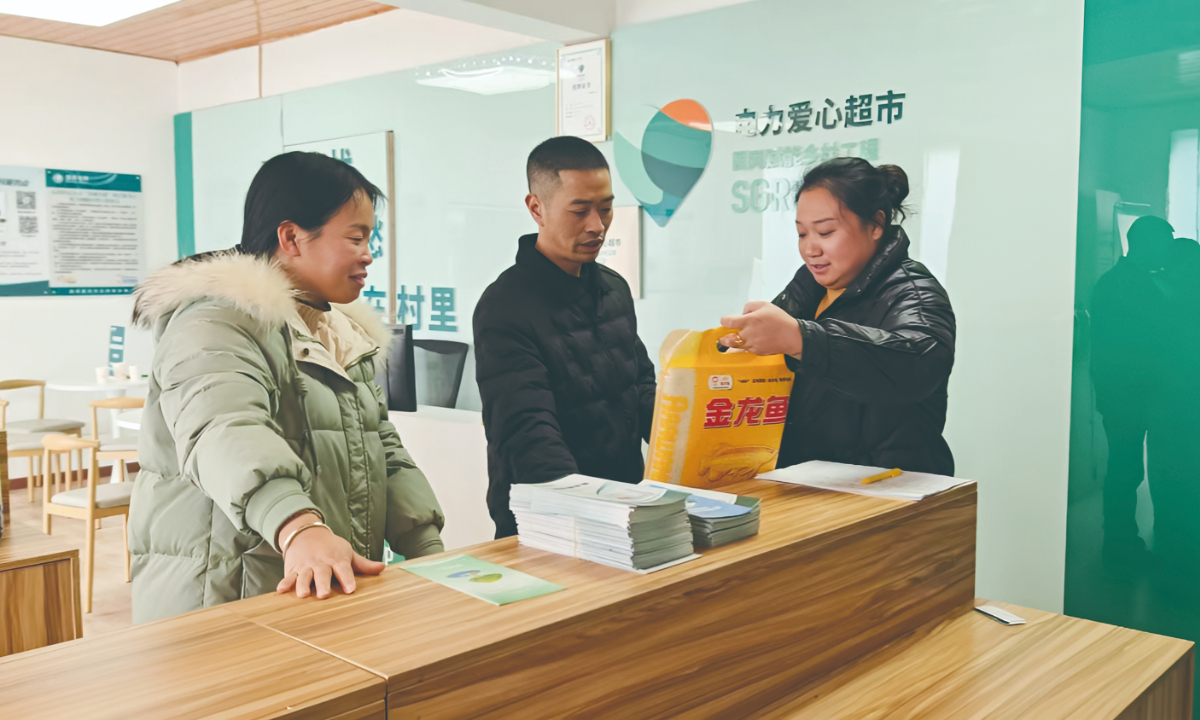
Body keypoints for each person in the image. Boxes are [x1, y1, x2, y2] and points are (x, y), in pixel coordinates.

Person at [129, 151, 445, 623]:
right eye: (356, 237)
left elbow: (382, 449)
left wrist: (428, 548)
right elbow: (224, 428)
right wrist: (299, 528)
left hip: (313, 585)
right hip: (224, 596)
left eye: (370, 238)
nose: (368, 254)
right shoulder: (217, 319)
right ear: (292, 237)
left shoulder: (335, 333)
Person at [718, 157, 956, 474]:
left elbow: (918, 363)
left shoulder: (913, 292)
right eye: (802, 234)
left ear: (875, 225)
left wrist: (801, 339)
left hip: (889, 493)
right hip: (807, 485)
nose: (810, 249)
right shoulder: (807, 290)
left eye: (826, 232)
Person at [474, 136, 657, 538]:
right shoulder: (505, 307)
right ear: (536, 208)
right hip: (548, 523)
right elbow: (528, 433)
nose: (597, 225)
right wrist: (584, 513)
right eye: (580, 211)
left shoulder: (614, 289)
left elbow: (640, 385)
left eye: (606, 209)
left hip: (625, 506)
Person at [1089, 215, 1173, 568]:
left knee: (1123, 469)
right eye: (1164, 244)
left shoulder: (1111, 282)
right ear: (1147, 244)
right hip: (1135, 394)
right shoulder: (1136, 287)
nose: (1167, 252)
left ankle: (1120, 543)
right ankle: (1122, 545)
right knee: (1127, 472)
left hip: (1120, 394)